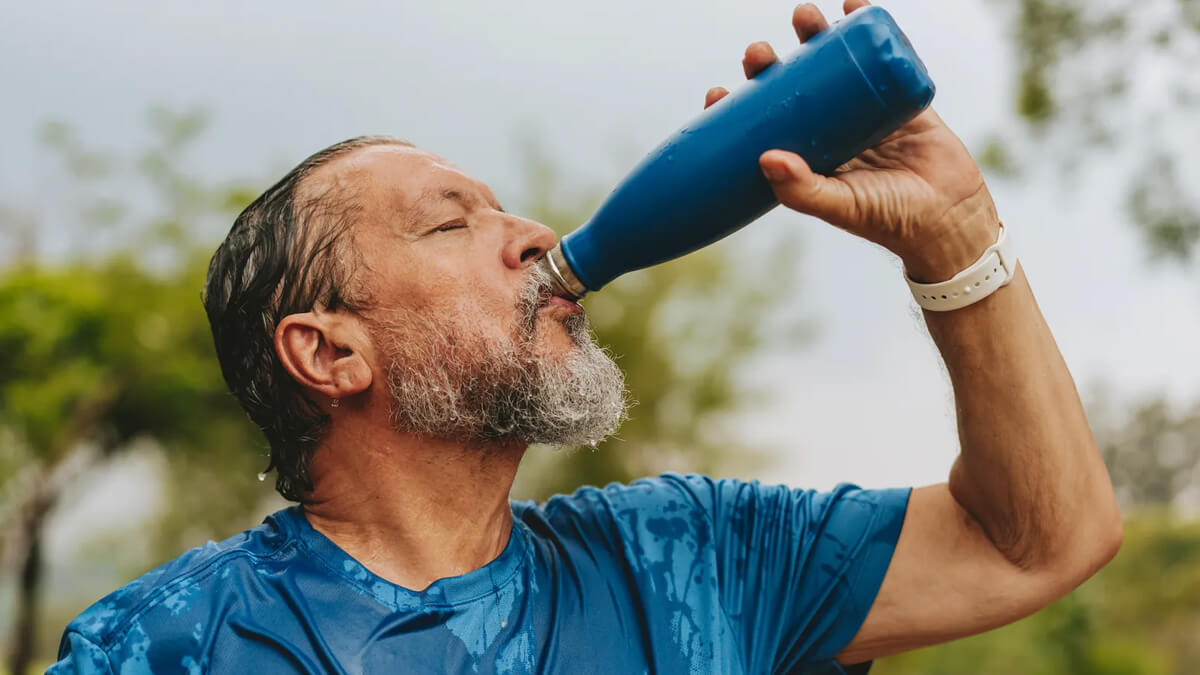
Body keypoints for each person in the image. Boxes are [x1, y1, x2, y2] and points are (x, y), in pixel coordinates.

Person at [49, 2, 1122, 673]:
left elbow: (1035, 543)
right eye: (450, 221)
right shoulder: (168, 646)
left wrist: (957, 237)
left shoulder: (695, 559)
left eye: (507, 208)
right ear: (330, 353)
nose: (534, 235)